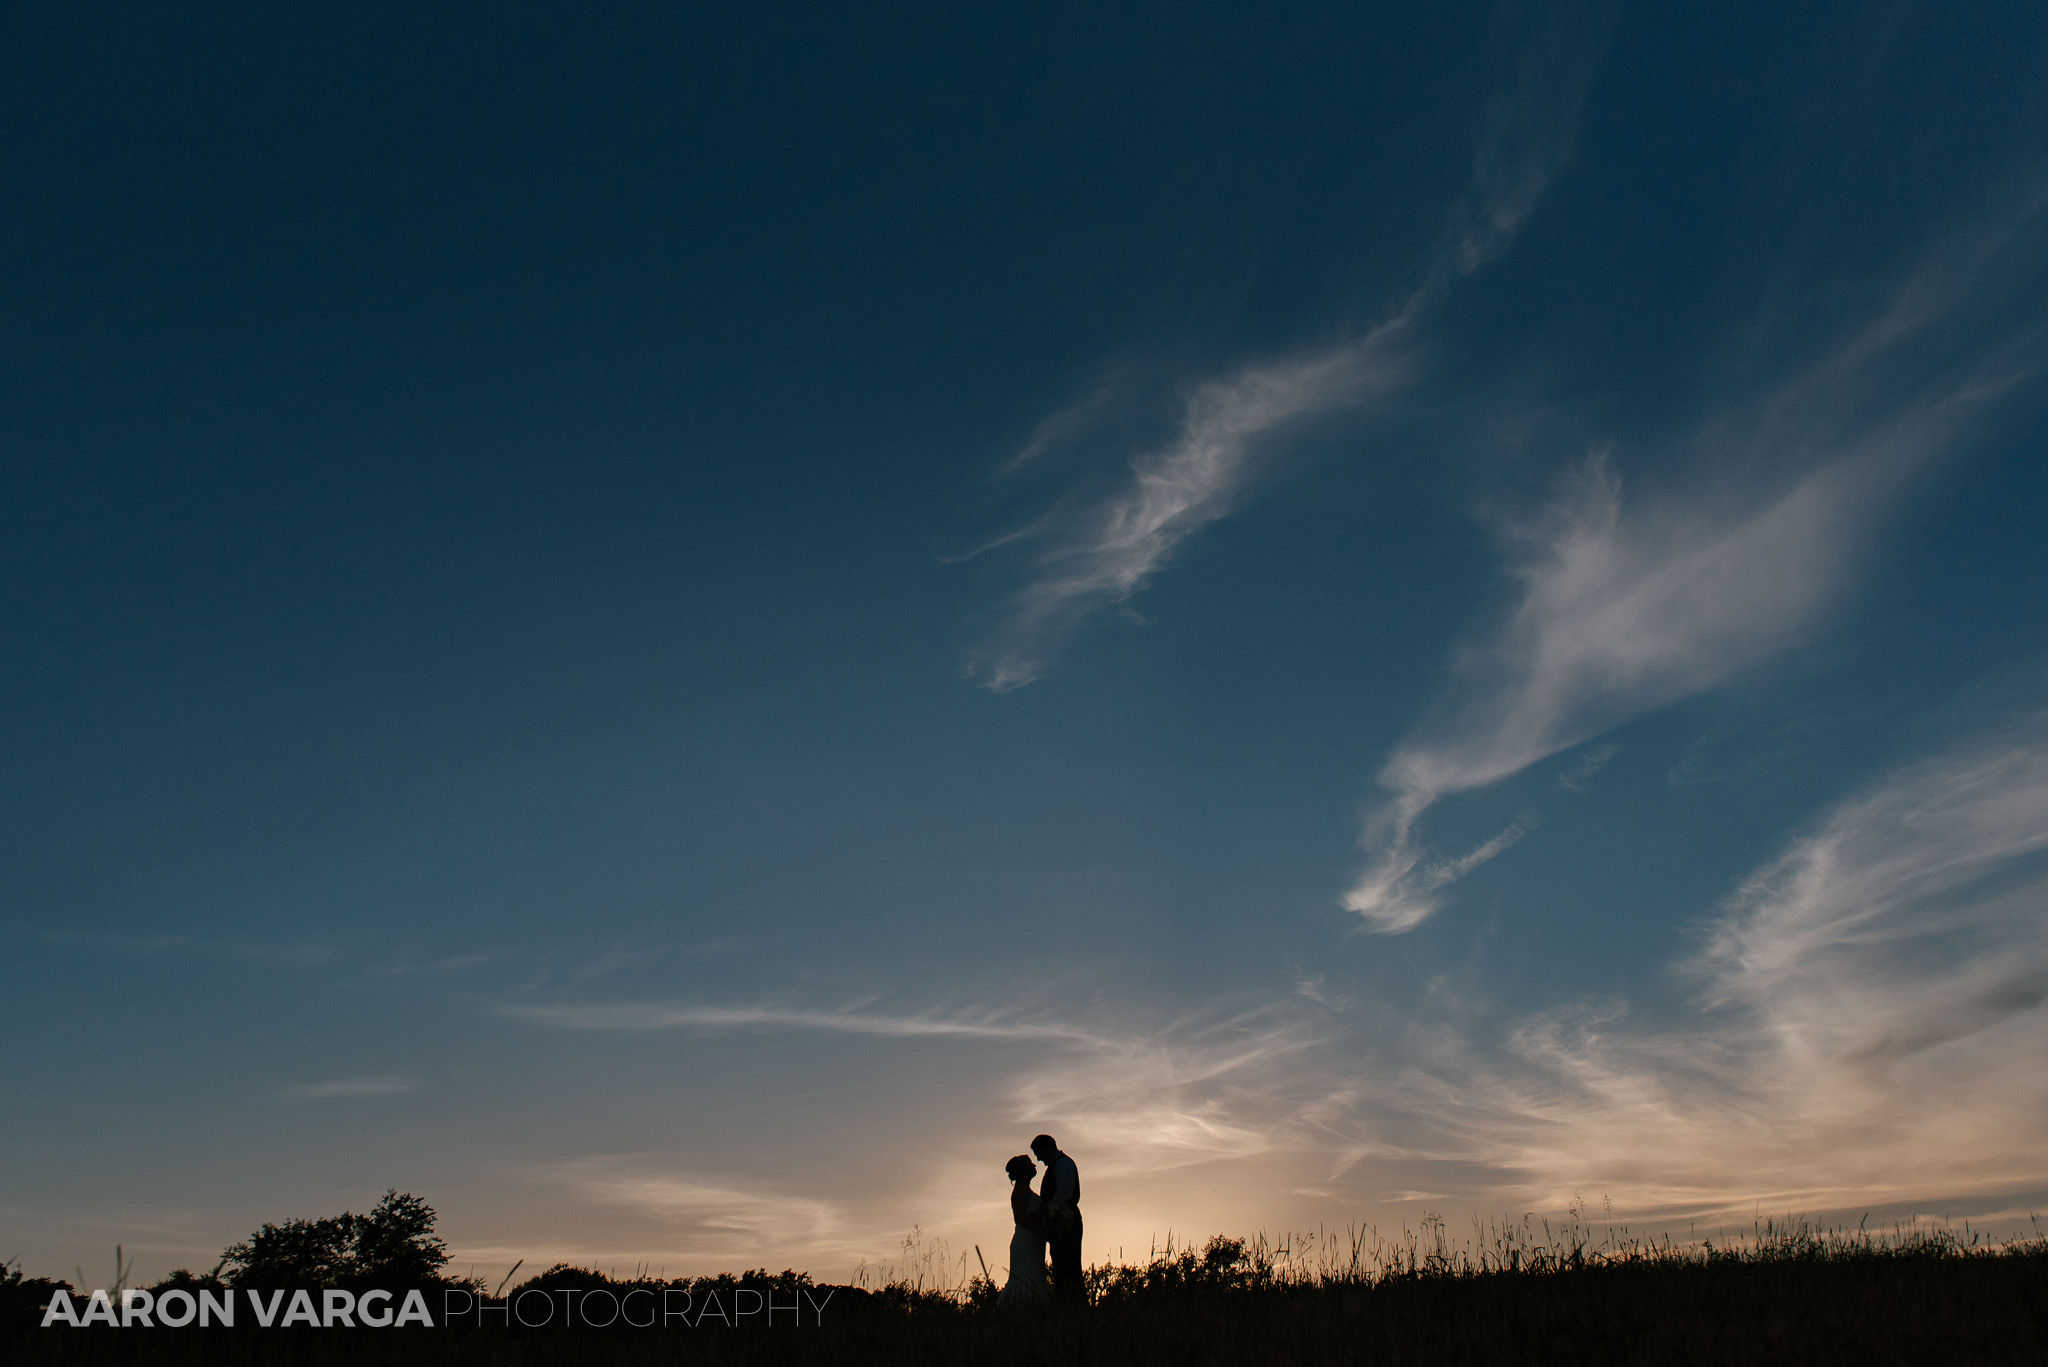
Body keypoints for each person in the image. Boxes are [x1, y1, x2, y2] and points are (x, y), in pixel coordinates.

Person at [1030, 1133, 1082, 1299]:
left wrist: (1049, 1211)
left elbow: (1064, 1193)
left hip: (1066, 1222)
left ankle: (1075, 1305)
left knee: (1069, 1266)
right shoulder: (1056, 1165)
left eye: (1038, 1154)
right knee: (1060, 1266)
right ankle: (1067, 1304)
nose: (1038, 1159)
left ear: (1047, 1148)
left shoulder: (1063, 1164)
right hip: (1059, 1222)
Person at [999, 1154, 1048, 1304]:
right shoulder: (1020, 1190)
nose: (1034, 1165)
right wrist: (1041, 1230)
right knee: (1026, 1275)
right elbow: (1020, 1217)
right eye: (1030, 1164)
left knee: (1034, 1274)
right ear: (1024, 1170)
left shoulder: (1025, 1189)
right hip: (1026, 1239)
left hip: (1033, 1239)